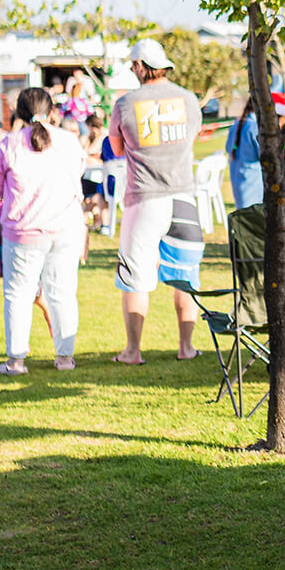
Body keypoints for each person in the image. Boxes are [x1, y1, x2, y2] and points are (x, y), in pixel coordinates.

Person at [107, 38, 204, 365]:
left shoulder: (125, 104)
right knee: (186, 275)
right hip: (183, 196)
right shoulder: (189, 99)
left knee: (135, 278)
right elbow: (191, 139)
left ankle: (133, 351)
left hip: (144, 199)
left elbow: (118, 149)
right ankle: (186, 347)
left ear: (138, 66)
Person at [0, 87, 86, 375]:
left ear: (19, 112)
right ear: (52, 109)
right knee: (63, 292)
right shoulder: (68, 141)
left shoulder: (8, 144)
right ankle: (65, 357)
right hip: (65, 227)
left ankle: (16, 361)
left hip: (23, 230)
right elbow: (79, 172)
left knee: (18, 294)